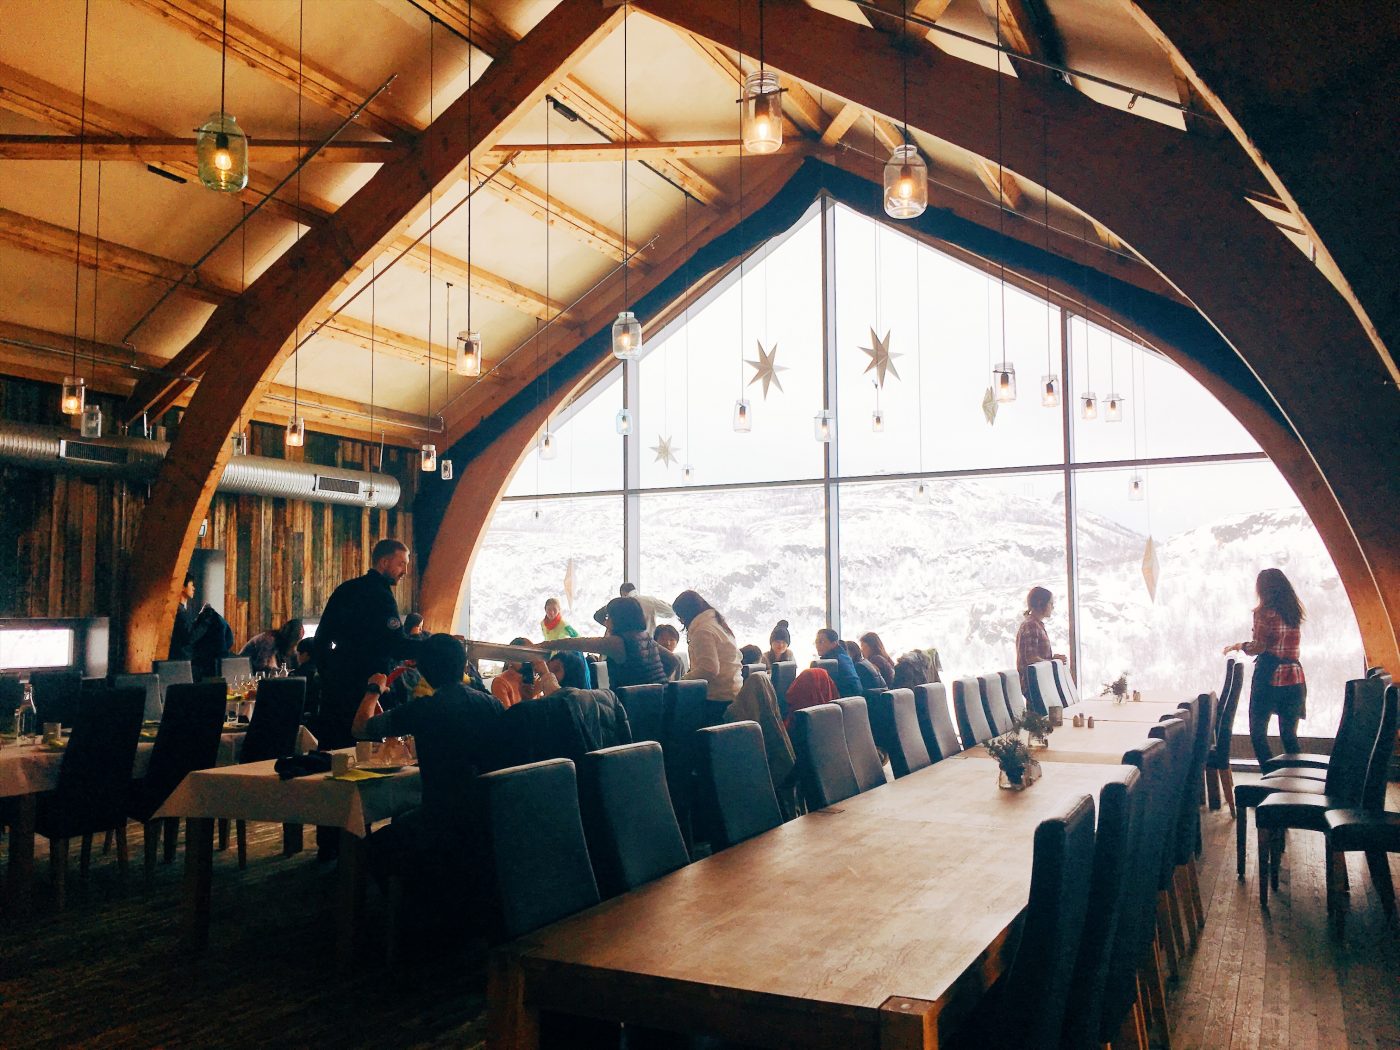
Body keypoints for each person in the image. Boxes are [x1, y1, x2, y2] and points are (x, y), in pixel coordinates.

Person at [351, 634, 506, 898]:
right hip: (489, 815)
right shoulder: (493, 704)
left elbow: (360, 728)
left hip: (442, 821)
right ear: (464, 665)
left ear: (423, 671)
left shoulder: (425, 709)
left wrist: (374, 688)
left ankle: (397, 912)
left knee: (368, 848)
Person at [312, 539, 423, 858]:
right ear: (384, 562)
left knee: (333, 762)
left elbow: (321, 640)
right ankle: (358, 840)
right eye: (401, 564)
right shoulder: (381, 596)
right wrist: (433, 647)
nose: (404, 571)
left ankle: (328, 841)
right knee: (364, 763)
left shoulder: (346, 590)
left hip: (336, 689)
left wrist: (331, 673)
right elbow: (395, 645)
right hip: (366, 690)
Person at [1223, 568, 1307, 767]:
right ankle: (1296, 776)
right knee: (1289, 736)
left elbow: (1259, 647)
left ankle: (1269, 774)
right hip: (1294, 678)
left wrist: (1239, 646)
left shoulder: (1263, 613)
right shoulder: (1293, 613)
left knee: (1258, 732)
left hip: (1269, 678)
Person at [548, 597, 668, 688]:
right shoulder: (646, 637)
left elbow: (579, 644)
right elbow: (673, 661)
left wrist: (545, 645)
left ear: (618, 619)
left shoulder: (618, 642)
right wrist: (656, 686)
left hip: (632, 706)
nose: (606, 622)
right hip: (659, 702)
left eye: (608, 617)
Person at [672, 590, 743, 701]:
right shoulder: (717, 624)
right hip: (733, 691)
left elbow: (709, 669)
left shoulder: (702, 631)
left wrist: (682, 680)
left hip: (717, 696)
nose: (681, 621)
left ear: (687, 614)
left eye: (680, 616)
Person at [1015, 586, 1066, 692]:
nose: (1052, 607)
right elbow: (1031, 659)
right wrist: (1053, 662)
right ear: (1041, 604)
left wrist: (1052, 659)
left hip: (1039, 683)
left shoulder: (1035, 624)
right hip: (1035, 685)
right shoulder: (1031, 625)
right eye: (1050, 603)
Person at [490, 637, 559, 707]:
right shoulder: (501, 682)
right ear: (512, 658)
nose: (530, 661)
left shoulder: (533, 679)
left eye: (533, 655)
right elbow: (507, 713)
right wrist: (532, 694)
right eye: (525, 657)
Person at [594, 583, 675, 634]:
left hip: (623, 642)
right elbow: (671, 612)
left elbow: (597, 616)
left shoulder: (618, 605)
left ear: (622, 593)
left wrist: (610, 627)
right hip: (647, 641)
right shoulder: (650, 601)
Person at [814, 628, 862, 697]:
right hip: (855, 698)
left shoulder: (832, 661)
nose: (817, 645)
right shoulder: (844, 656)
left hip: (843, 698)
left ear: (833, 644)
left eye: (821, 642)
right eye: (816, 642)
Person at [291, 637, 322, 722]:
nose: (297, 656)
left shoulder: (299, 673)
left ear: (305, 654)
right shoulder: (322, 671)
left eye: (298, 653)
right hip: (316, 715)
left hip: (300, 715)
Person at [169, 573, 197, 661]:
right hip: (180, 658)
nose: (194, 588)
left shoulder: (187, 608)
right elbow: (188, 635)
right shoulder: (177, 610)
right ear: (182, 587)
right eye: (191, 585)